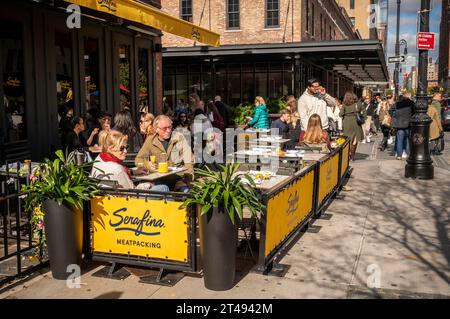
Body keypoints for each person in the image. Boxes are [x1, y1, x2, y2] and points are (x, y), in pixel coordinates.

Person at [91, 130, 169, 192]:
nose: (125, 151)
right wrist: (147, 185)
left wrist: (132, 171)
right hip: (124, 204)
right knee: (163, 188)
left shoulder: (99, 159)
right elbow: (132, 192)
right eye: (121, 148)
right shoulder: (117, 169)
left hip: (107, 198)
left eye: (126, 147)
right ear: (111, 149)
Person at [135, 115, 194, 192]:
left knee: (186, 192)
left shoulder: (179, 138)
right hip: (159, 180)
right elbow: (138, 160)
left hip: (178, 179)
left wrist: (186, 181)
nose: (168, 130)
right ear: (156, 129)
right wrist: (146, 164)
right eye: (164, 128)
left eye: (170, 127)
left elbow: (189, 161)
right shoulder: (150, 140)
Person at [340, 92, 365, 161]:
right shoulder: (358, 104)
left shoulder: (344, 105)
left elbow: (340, 114)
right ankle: (352, 156)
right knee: (355, 140)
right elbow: (364, 111)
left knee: (347, 139)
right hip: (356, 122)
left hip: (347, 123)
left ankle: (348, 154)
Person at [390, 93, 414, 160]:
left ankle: (399, 155)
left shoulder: (398, 104)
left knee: (399, 140)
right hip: (408, 124)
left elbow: (390, 110)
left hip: (399, 124)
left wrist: (394, 116)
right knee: (407, 139)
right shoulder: (410, 103)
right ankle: (408, 154)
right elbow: (415, 111)